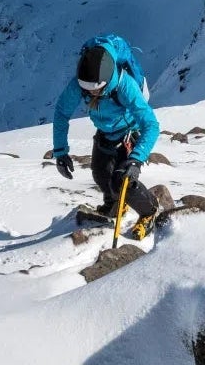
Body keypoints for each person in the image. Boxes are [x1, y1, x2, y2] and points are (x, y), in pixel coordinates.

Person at [51, 34, 163, 239]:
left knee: (125, 181)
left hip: (130, 134)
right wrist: (60, 152)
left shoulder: (123, 85)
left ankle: (150, 211)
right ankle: (114, 206)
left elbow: (151, 124)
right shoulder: (82, 83)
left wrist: (136, 159)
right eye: (86, 90)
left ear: (107, 81)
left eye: (96, 90)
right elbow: (61, 113)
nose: (90, 94)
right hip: (105, 133)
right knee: (101, 174)